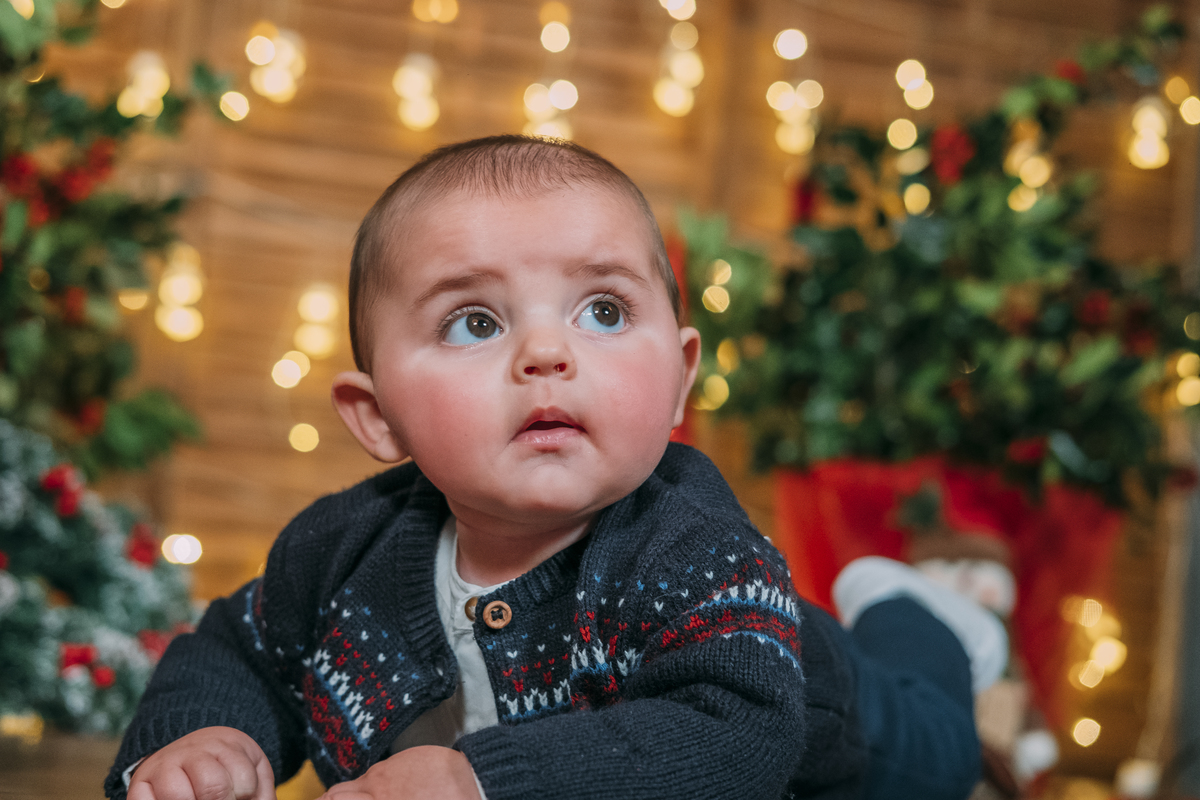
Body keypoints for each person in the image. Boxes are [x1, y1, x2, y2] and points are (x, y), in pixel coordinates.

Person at [105, 135, 1005, 800]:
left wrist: (480, 782)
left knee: (938, 742)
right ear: (378, 418)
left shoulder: (693, 547)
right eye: (475, 322)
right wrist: (201, 737)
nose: (545, 351)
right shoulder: (343, 552)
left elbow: (736, 737)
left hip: (852, 738)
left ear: (682, 377)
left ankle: (922, 613)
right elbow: (241, 649)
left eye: (604, 312)